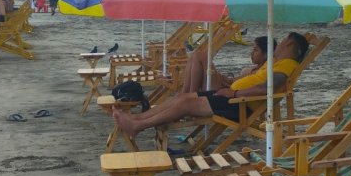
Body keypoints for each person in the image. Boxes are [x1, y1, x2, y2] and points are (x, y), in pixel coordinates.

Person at [112, 32, 310, 139]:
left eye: (285, 41)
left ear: (292, 47)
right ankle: (136, 118)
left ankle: (138, 125)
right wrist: (232, 88)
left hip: (242, 104)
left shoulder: (287, 65)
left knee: (185, 105)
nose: (281, 43)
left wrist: (234, 92)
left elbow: (265, 88)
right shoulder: (275, 62)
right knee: (182, 98)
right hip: (234, 96)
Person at [180, 34, 272, 94]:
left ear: (266, 54)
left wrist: (227, 81)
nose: (251, 53)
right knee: (195, 56)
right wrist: (226, 79)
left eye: (255, 50)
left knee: (200, 56)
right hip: (224, 87)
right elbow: (234, 81)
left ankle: (190, 95)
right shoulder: (257, 69)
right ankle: (186, 94)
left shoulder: (263, 72)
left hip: (224, 93)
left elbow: (240, 87)